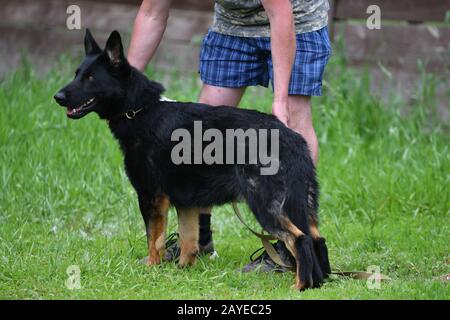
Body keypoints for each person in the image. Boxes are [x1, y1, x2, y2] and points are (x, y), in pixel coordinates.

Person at [128, 0, 332, 272]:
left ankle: (292, 244)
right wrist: (125, 82)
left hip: (296, 21)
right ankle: (199, 240)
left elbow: (281, 16)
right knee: (200, 133)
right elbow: (153, 12)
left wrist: (279, 99)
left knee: (293, 119)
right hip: (233, 26)